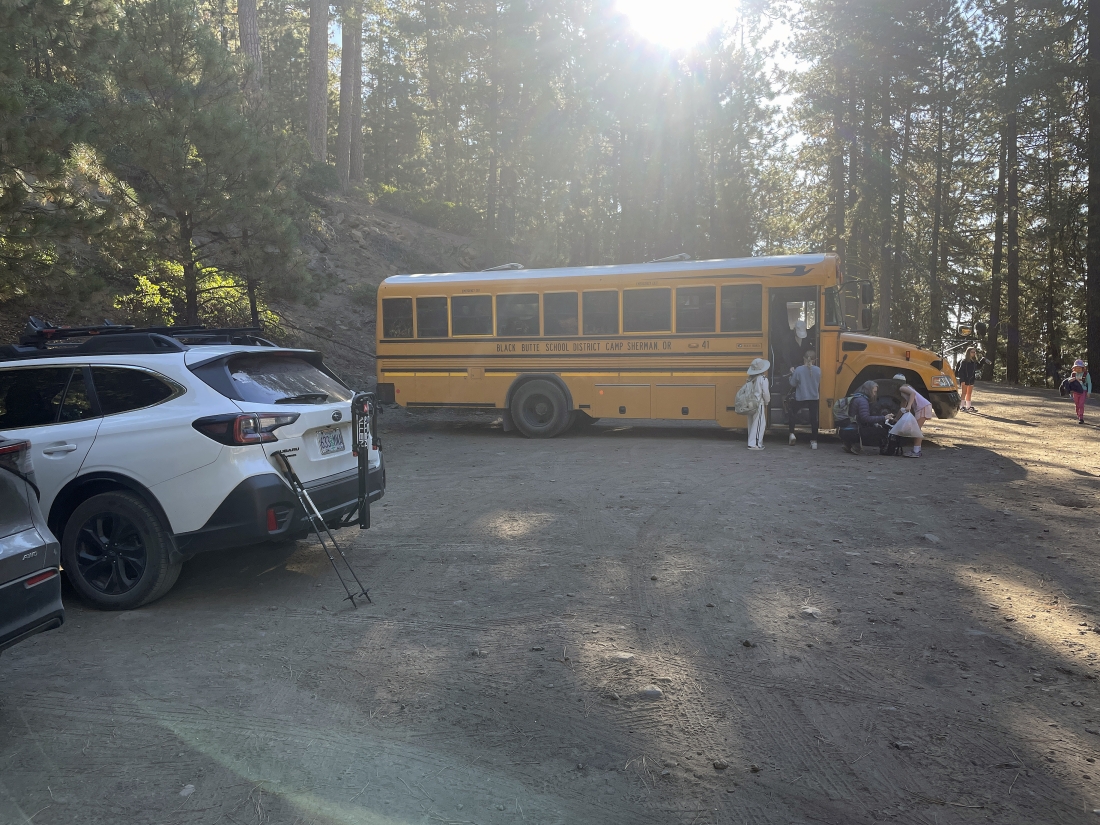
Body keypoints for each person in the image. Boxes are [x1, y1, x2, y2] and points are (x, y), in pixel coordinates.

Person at [838, 380, 894, 454]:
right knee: (881, 432)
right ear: (869, 390)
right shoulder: (862, 401)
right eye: (874, 391)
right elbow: (865, 418)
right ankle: (855, 443)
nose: (875, 394)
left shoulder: (856, 397)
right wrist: (884, 417)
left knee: (870, 427)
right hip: (852, 432)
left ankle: (849, 443)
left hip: (844, 431)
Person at [787, 349, 821, 449]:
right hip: (813, 397)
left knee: (792, 412)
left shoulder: (798, 370)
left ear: (804, 358)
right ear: (815, 360)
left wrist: (791, 375)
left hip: (801, 396)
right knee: (813, 419)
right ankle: (814, 441)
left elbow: (793, 383)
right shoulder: (818, 370)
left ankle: (792, 434)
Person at [894, 374, 934, 457]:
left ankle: (916, 451)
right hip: (924, 407)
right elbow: (902, 407)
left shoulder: (902, 388)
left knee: (916, 430)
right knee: (916, 429)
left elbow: (913, 394)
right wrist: (896, 419)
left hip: (922, 407)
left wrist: (909, 406)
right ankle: (916, 450)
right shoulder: (905, 391)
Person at [745, 358, 770, 450]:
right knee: (759, 423)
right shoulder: (763, 379)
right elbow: (765, 393)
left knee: (751, 423)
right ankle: (755, 444)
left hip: (749, 403)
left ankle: (751, 441)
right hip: (758, 403)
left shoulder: (750, 379)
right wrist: (767, 402)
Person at [956, 347, 979, 412]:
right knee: (964, 393)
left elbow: (977, 368)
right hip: (965, 379)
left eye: (974, 352)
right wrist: (962, 380)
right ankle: (961, 406)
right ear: (968, 352)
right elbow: (960, 371)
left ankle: (968, 406)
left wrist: (983, 361)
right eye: (972, 352)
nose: (974, 353)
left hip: (971, 379)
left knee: (969, 393)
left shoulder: (974, 361)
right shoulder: (964, 361)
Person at [1070, 359, 1092, 424]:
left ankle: (1081, 417)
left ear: (1083, 368)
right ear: (1074, 368)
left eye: (1079, 368)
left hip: (1083, 391)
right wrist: (1072, 380)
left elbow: (1089, 383)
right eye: (1076, 368)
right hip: (1075, 391)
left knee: (1081, 404)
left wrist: (1089, 392)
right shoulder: (1073, 374)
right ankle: (1078, 414)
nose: (1078, 369)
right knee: (1077, 404)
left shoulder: (1086, 374)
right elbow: (1069, 382)